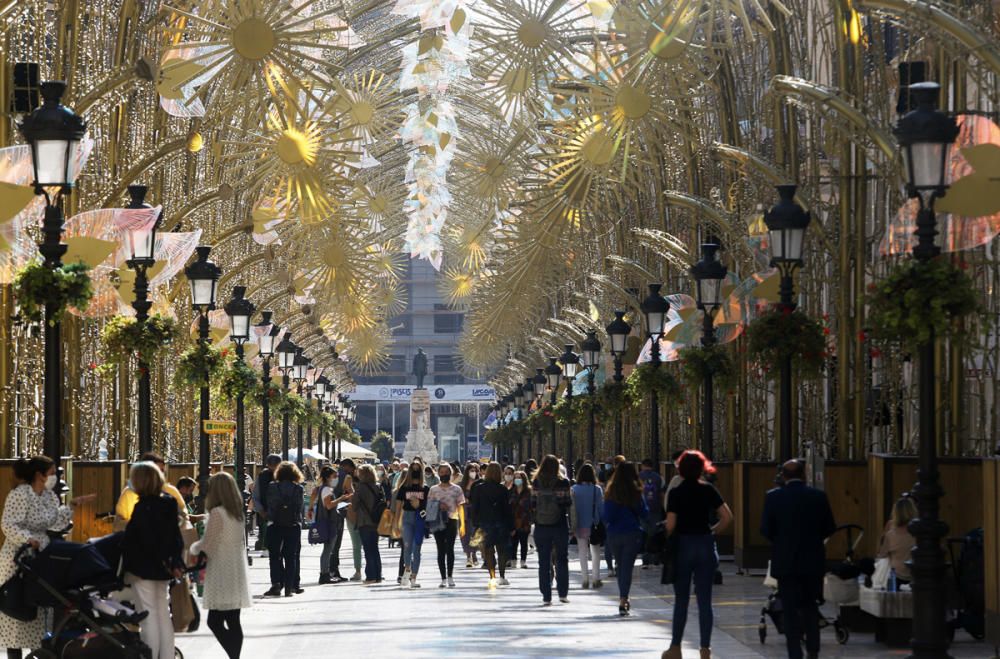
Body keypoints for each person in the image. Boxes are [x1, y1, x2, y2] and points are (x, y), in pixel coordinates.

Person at [0, 457, 90, 659]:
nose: (54, 478)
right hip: (18, 557)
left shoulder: (49, 496)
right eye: (51, 473)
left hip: (40, 558)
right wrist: (27, 538)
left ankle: (37, 653)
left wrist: (72, 506)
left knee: (39, 610)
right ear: (39, 475)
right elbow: (8, 524)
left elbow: (55, 523)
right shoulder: (20, 494)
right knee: (17, 609)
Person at [760, 459, 837, 659]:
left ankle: (794, 652)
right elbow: (829, 527)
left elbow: (766, 530)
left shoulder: (773, 498)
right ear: (804, 475)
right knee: (810, 607)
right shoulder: (818, 497)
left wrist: (782, 542)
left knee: (790, 610)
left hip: (785, 564)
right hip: (812, 562)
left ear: (783, 476)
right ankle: (813, 650)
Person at [662, 451, 733, 659]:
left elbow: (672, 524)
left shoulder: (676, 492)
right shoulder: (708, 490)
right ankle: (705, 649)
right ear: (702, 468)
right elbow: (727, 517)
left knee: (681, 599)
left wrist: (666, 533)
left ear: (680, 469)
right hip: (704, 545)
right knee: (705, 600)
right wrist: (712, 531)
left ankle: (675, 647)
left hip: (683, 545)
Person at [122, 461, 185, 659]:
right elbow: (175, 536)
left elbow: (138, 539)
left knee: (148, 617)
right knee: (163, 614)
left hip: (144, 568)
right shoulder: (168, 502)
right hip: (164, 567)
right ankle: (167, 656)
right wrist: (174, 562)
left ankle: (151, 655)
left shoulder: (142, 507)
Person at [190, 472, 251, 659]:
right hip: (236, 567)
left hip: (221, 569)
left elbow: (208, 543)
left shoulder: (217, 513)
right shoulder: (237, 513)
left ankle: (234, 656)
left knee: (214, 621)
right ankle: (235, 656)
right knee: (233, 619)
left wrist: (192, 548)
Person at [603, 461, 647, 616]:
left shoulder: (610, 491)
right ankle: (623, 599)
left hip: (614, 534)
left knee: (621, 566)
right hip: (632, 533)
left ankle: (623, 597)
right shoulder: (636, 491)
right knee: (626, 567)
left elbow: (607, 516)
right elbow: (644, 513)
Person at [531, 454, 572, 605]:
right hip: (559, 524)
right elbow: (568, 502)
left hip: (541, 526)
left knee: (544, 561)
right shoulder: (564, 482)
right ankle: (562, 593)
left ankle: (546, 596)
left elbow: (533, 503)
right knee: (562, 559)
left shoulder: (536, 482)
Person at [469, 462, 514, 588]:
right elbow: (507, 509)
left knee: (488, 551)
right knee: (501, 551)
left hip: (485, 523)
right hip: (500, 523)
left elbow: (475, 507)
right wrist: (511, 526)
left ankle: (492, 576)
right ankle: (502, 576)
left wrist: (475, 523)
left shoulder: (479, 488)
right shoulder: (503, 489)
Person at [263, 461, 304, 597]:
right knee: (290, 556)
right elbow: (299, 508)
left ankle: (276, 584)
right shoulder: (298, 488)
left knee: (274, 556)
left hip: (275, 524)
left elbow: (270, 504)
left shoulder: (272, 487)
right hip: (293, 525)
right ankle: (289, 587)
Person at [115, 452, 187, 525]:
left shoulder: (171, 493)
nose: (160, 475)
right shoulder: (129, 493)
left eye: (162, 471)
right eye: (156, 471)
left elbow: (183, 516)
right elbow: (120, 522)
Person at [427, 463, 465, 588]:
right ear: (438, 473)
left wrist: (462, 524)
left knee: (450, 549)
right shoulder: (433, 489)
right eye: (442, 472)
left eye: (446, 472)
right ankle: (443, 577)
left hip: (452, 520)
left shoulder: (457, 489)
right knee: (440, 549)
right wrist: (438, 505)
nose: (444, 474)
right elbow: (429, 506)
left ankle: (450, 576)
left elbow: (461, 506)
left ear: (450, 473)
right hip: (438, 522)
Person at [394, 463, 429, 588]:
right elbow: (398, 505)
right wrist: (396, 522)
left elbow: (428, 506)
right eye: (413, 469)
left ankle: (414, 577)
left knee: (417, 549)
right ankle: (407, 569)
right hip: (407, 517)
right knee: (407, 546)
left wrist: (419, 505)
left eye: (417, 469)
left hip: (419, 518)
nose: (415, 471)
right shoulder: (404, 487)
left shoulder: (425, 488)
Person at [315, 466, 351, 584]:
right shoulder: (326, 490)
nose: (336, 478)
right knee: (327, 550)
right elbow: (329, 505)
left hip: (329, 521)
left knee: (328, 550)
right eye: (334, 476)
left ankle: (325, 573)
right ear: (328, 477)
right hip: (329, 523)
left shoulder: (325, 489)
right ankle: (324, 574)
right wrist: (341, 499)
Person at [571, 463, 604, 589]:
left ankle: (585, 579)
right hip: (594, 524)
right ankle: (596, 578)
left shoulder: (574, 489)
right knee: (595, 552)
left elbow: (572, 509)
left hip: (580, 525)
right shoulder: (597, 489)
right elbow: (601, 509)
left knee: (582, 552)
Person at [353, 464, 384, 584]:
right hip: (377, 521)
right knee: (375, 549)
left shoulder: (360, 487)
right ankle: (378, 575)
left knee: (368, 549)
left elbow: (355, 505)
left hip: (365, 522)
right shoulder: (377, 486)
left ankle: (370, 576)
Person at [877, 495, 917, 584]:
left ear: (895, 512)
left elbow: (881, 555)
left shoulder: (890, 534)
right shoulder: (918, 532)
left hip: (895, 575)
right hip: (915, 575)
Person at [339, 459, 364, 581]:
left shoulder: (348, 478)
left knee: (356, 545)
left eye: (344, 468)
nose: (343, 471)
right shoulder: (363, 478)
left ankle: (358, 571)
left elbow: (346, 493)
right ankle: (371, 570)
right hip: (363, 515)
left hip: (353, 514)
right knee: (366, 544)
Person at [252, 455, 281, 555]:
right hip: (267, 511)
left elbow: (255, 495)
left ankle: (269, 548)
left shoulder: (282, 475)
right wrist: (261, 511)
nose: (273, 468)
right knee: (265, 531)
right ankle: (266, 548)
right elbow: (256, 495)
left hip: (275, 512)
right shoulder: (262, 476)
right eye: (272, 466)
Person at [638, 458, 664, 568]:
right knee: (655, 533)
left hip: (642, 508)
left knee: (645, 532)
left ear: (643, 466)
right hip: (656, 509)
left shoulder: (638, 476)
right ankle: (656, 557)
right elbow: (662, 494)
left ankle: (645, 559)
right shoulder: (658, 477)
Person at [459, 463, 481, 567]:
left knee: (475, 534)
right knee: (465, 535)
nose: (473, 473)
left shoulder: (480, 484)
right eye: (471, 470)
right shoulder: (461, 486)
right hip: (464, 513)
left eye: (475, 471)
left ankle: (474, 554)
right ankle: (468, 556)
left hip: (475, 513)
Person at [509, 470, 532, 569]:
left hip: (525, 521)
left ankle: (523, 561)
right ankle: (513, 560)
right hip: (513, 520)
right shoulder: (511, 491)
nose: (517, 480)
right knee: (513, 542)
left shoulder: (529, 492)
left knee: (523, 542)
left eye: (519, 477)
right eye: (516, 478)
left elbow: (532, 507)